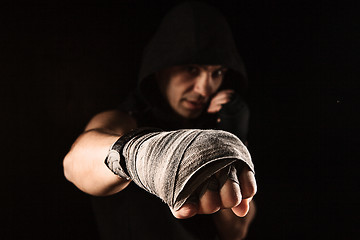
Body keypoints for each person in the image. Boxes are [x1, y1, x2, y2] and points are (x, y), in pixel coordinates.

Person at [63, 2, 257, 240]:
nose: (205, 88)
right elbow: (74, 163)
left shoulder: (216, 127)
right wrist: (146, 155)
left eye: (217, 73)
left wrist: (234, 140)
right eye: (191, 69)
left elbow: (236, 231)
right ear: (160, 68)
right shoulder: (126, 118)